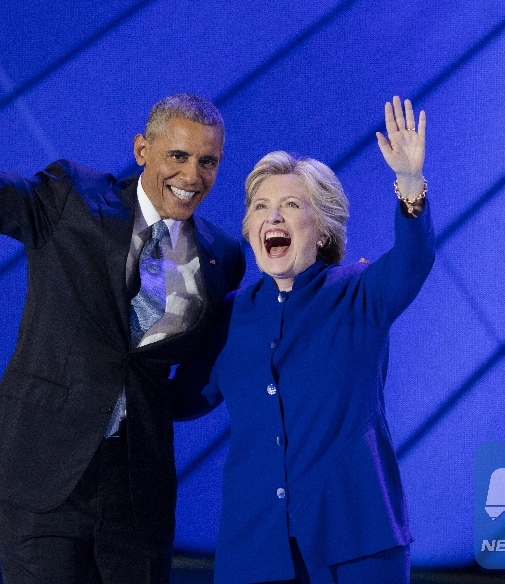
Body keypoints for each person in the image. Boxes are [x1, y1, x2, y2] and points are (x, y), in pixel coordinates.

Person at [0, 29, 245, 583]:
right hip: (43, 471)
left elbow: (205, 364)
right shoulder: (73, 196)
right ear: (142, 150)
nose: (192, 176)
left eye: (208, 161)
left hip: (138, 487)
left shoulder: (222, 255)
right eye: (178, 155)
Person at [172, 97, 435, 583]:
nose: (273, 217)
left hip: (356, 545)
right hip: (254, 552)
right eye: (261, 207)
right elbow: (178, 400)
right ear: (250, 229)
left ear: (323, 230)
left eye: (291, 206)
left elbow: (413, 261)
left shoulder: (359, 294)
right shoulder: (230, 315)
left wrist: (410, 182)